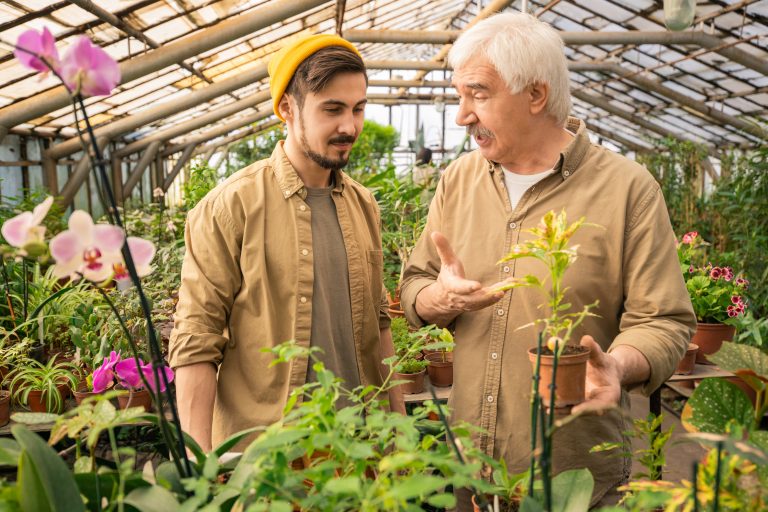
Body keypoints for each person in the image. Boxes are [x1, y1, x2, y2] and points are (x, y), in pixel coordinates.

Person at [400, 12, 695, 508]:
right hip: (473, 473)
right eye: (459, 96)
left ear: (536, 95)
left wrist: (618, 365)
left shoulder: (627, 190)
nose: (462, 116)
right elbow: (415, 284)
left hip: (575, 482)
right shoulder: (457, 181)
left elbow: (664, 319)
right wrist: (438, 297)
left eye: (478, 94)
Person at [169, 34, 404, 453]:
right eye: (332, 109)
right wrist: (200, 464)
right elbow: (196, 341)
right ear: (287, 109)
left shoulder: (364, 204)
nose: (349, 127)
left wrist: (400, 438)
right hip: (267, 459)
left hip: (361, 452)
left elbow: (380, 324)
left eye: (358, 109)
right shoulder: (231, 207)